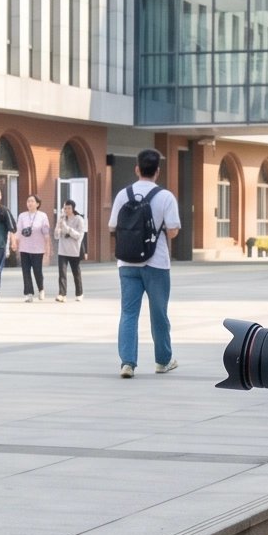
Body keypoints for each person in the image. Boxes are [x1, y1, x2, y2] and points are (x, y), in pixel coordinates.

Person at [111, 149, 181, 380]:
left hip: (127, 262)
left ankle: (127, 363)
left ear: (137, 169)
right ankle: (163, 361)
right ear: (158, 171)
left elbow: (112, 227)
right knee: (158, 313)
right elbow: (172, 232)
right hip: (156, 263)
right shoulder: (165, 197)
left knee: (128, 313)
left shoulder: (123, 194)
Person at [15, 193, 51, 301]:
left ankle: (41, 289)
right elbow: (18, 231)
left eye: (32, 201)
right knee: (25, 271)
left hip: (38, 249)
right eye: (28, 201)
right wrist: (15, 244)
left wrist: (47, 248)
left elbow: (46, 233)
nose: (29, 203)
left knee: (37, 271)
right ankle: (29, 293)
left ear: (37, 204)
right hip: (24, 248)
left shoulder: (43, 216)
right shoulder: (22, 216)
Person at [53, 198, 88, 302]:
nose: (66, 210)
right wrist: (58, 228)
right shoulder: (62, 219)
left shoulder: (79, 219)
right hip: (62, 250)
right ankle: (62, 294)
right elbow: (56, 236)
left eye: (69, 208)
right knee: (62, 273)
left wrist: (67, 228)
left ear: (73, 208)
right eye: (65, 208)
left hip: (74, 250)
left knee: (76, 272)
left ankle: (79, 293)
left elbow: (79, 236)